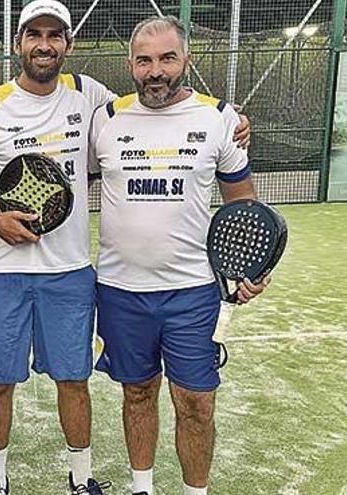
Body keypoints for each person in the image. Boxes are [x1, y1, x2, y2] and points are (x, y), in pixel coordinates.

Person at [0, 1, 114, 493]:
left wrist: (229, 121)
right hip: (1, 272)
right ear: (18, 43)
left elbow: (144, 113)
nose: (44, 44)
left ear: (67, 45)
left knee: (73, 380)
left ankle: (81, 478)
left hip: (70, 271)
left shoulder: (89, 94)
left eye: (54, 35)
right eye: (34, 34)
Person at [88, 16, 268, 495]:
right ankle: (141, 488)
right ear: (130, 65)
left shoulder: (220, 119)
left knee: (196, 403)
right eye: (145, 60)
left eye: (167, 58)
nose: (156, 71)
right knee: (138, 392)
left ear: (186, 60)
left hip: (193, 293)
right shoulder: (105, 119)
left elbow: (244, 207)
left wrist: (251, 272)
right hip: (121, 290)